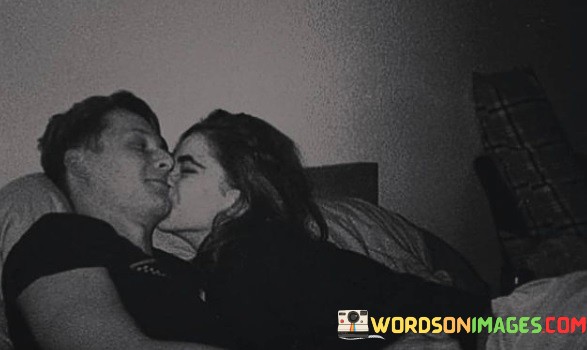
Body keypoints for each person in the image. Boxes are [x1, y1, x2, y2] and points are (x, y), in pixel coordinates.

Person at [159, 110, 490, 350]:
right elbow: (343, 322)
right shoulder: (229, 262)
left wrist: (403, 331)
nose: (166, 175)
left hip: (491, 326)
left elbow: (347, 322)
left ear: (238, 197)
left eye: (186, 169)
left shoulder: (252, 259)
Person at [1, 92, 233, 350]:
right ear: (78, 164)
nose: (167, 161)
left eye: (163, 148)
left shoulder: (182, 269)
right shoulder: (56, 238)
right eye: (139, 146)